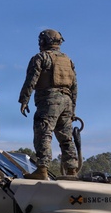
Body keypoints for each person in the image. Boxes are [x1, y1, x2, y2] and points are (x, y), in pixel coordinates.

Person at [18, 29, 79, 179]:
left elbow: (31, 81)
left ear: (44, 42)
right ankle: (72, 170)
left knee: (43, 133)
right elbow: (74, 86)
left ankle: (42, 170)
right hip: (67, 102)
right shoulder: (67, 60)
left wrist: (24, 100)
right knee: (66, 137)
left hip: (49, 101)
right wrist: (73, 109)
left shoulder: (41, 58)